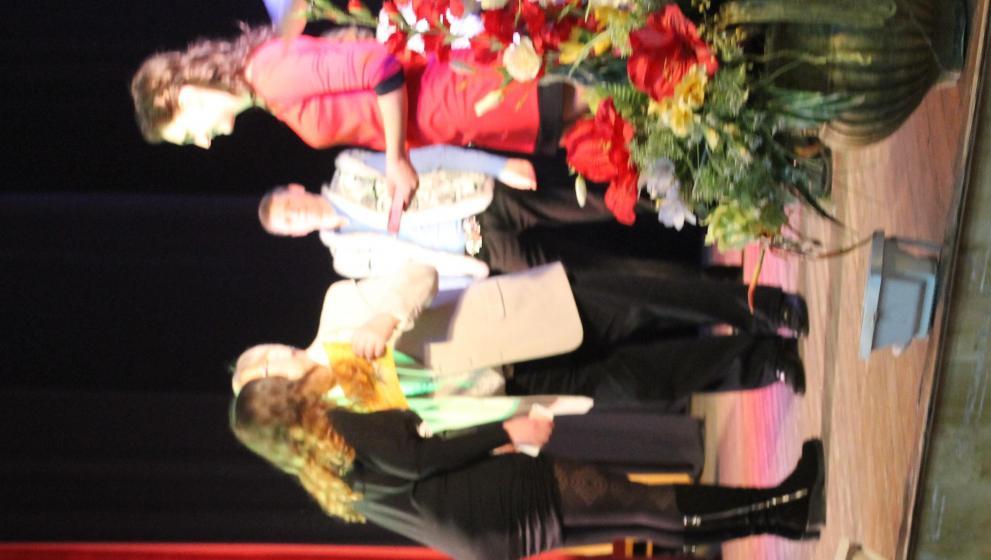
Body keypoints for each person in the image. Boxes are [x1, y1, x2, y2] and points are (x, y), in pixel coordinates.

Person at [230, 366, 827, 560]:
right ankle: (783, 505)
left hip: (483, 534)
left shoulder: (321, 472)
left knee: (641, 517)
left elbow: (418, 474)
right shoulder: (338, 430)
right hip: (499, 500)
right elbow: (421, 457)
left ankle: (784, 517)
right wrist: (506, 431)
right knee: (648, 505)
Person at [231, 260, 811, 423]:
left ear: (274, 350)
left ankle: (766, 307)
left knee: (648, 303)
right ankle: (767, 362)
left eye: (265, 366)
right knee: (650, 382)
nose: (275, 372)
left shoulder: (338, 308)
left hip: (518, 316)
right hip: (512, 387)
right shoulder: (344, 412)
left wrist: (385, 318)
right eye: (265, 384)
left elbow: (419, 275)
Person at [130, 25, 585, 217]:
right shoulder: (267, 92)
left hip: (465, 94)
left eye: (188, 134)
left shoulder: (269, 73)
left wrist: (396, 159)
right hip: (464, 114)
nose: (203, 142)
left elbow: (379, 65)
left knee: (596, 90)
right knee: (598, 110)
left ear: (189, 96)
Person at [260, 148, 709, 286]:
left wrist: (497, 166)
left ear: (296, 189)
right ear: (294, 235)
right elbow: (414, 280)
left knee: (596, 201)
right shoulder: (346, 260)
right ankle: (704, 282)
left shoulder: (349, 172)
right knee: (597, 273)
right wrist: (474, 282)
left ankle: (699, 196)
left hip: (484, 201)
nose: (297, 215)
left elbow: (427, 158)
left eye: (289, 207)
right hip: (484, 254)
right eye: (289, 223)